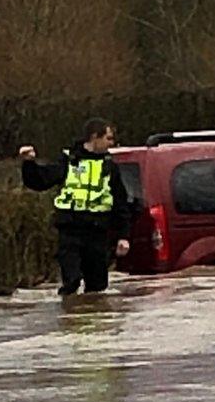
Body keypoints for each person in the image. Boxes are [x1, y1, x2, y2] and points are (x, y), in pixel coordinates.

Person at [19, 118, 131, 295]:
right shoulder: (69, 160)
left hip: (98, 234)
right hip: (71, 232)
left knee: (98, 288)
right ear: (95, 137)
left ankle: (97, 320)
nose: (112, 143)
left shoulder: (110, 166)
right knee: (71, 282)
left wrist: (123, 236)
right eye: (108, 138)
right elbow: (41, 181)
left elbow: (120, 203)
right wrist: (28, 164)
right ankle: (68, 318)